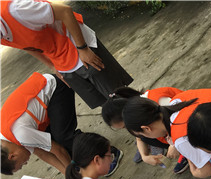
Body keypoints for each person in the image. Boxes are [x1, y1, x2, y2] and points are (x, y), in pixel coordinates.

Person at [1, 0, 133, 109]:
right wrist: (53, 67)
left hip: (75, 43)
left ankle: (145, 122)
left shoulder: (17, 10)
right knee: (102, 102)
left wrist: (83, 48)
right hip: (59, 59)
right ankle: (136, 126)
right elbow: (26, 45)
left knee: (117, 93)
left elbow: (65, 11)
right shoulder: (3, 35)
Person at [102, 86, 189, 173]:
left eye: (125, 126)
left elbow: (186, 118)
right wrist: (144, 156)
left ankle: (188, 148)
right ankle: (185, 149)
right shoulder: (138, 111)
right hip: (179, 128)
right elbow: (139, 138)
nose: (129, 130)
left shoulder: (157, 101)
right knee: (143, 136)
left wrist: (175, 143)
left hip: (192, 122)